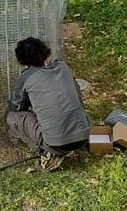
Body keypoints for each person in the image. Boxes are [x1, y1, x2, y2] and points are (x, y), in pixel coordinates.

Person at [6, 37, 90, 172]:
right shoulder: (63, 66)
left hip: (56, 144)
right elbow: (77, 96)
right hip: (83, 136)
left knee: (12, 117)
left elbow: (16, 106)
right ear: (45, 51)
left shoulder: (26, 77)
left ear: (22, 60)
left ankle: (45, 152)